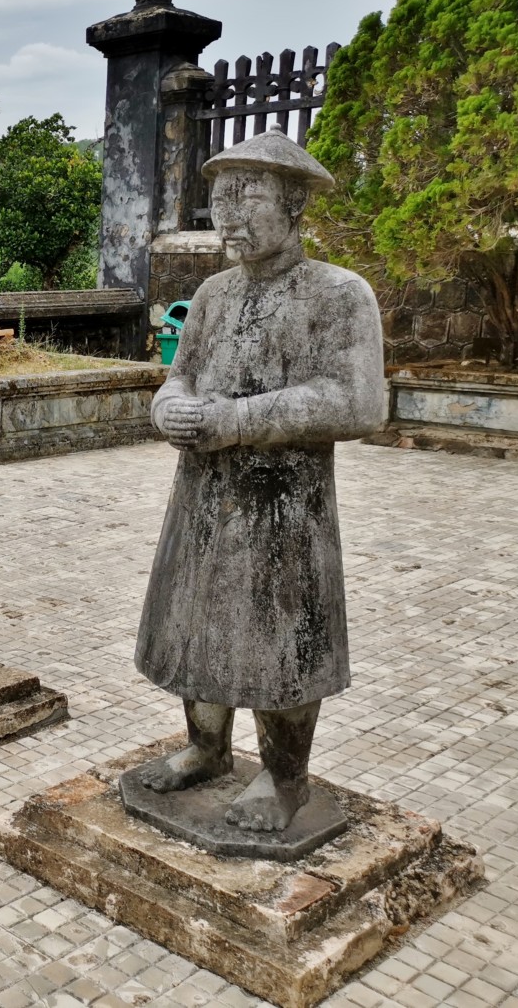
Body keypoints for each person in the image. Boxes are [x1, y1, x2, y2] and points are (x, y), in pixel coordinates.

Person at [135, 130, 386, 832]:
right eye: (220, 197)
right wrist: (169, 408)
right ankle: (206, 748)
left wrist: (238, 419)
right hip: (205, 498)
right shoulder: (213, 294)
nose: (229, 214)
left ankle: (284, 779)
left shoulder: (339, 294)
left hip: (287, 507)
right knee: (194, 627)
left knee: (281, 644)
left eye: (249, 196)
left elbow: (359, 400)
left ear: (296, 201)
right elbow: (178, 376)